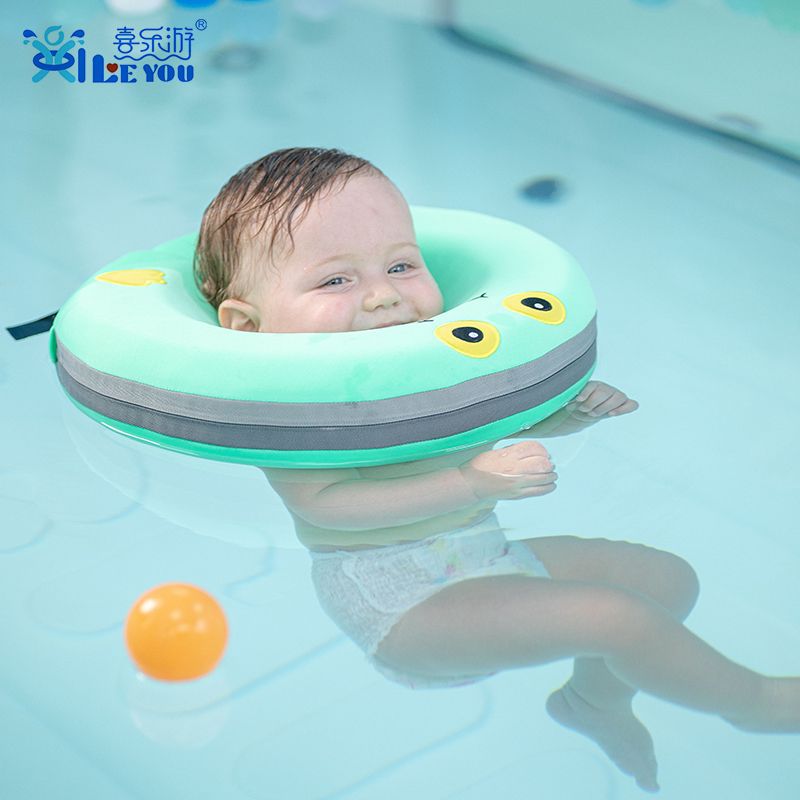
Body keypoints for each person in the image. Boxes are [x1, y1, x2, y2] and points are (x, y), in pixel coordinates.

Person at [195, 147, 799, 793]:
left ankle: (595, 702)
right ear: (249, 327)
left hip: (480, 554)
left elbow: (478, 434)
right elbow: (324, 505)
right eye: (336, 280)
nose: (384, 295)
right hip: (400, 603)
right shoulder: (290, 409)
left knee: (665, 581)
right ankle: (755, 703)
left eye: (400, 265)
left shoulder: (417, 363)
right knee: (618, 621)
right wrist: (471, 484)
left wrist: (564, 417)